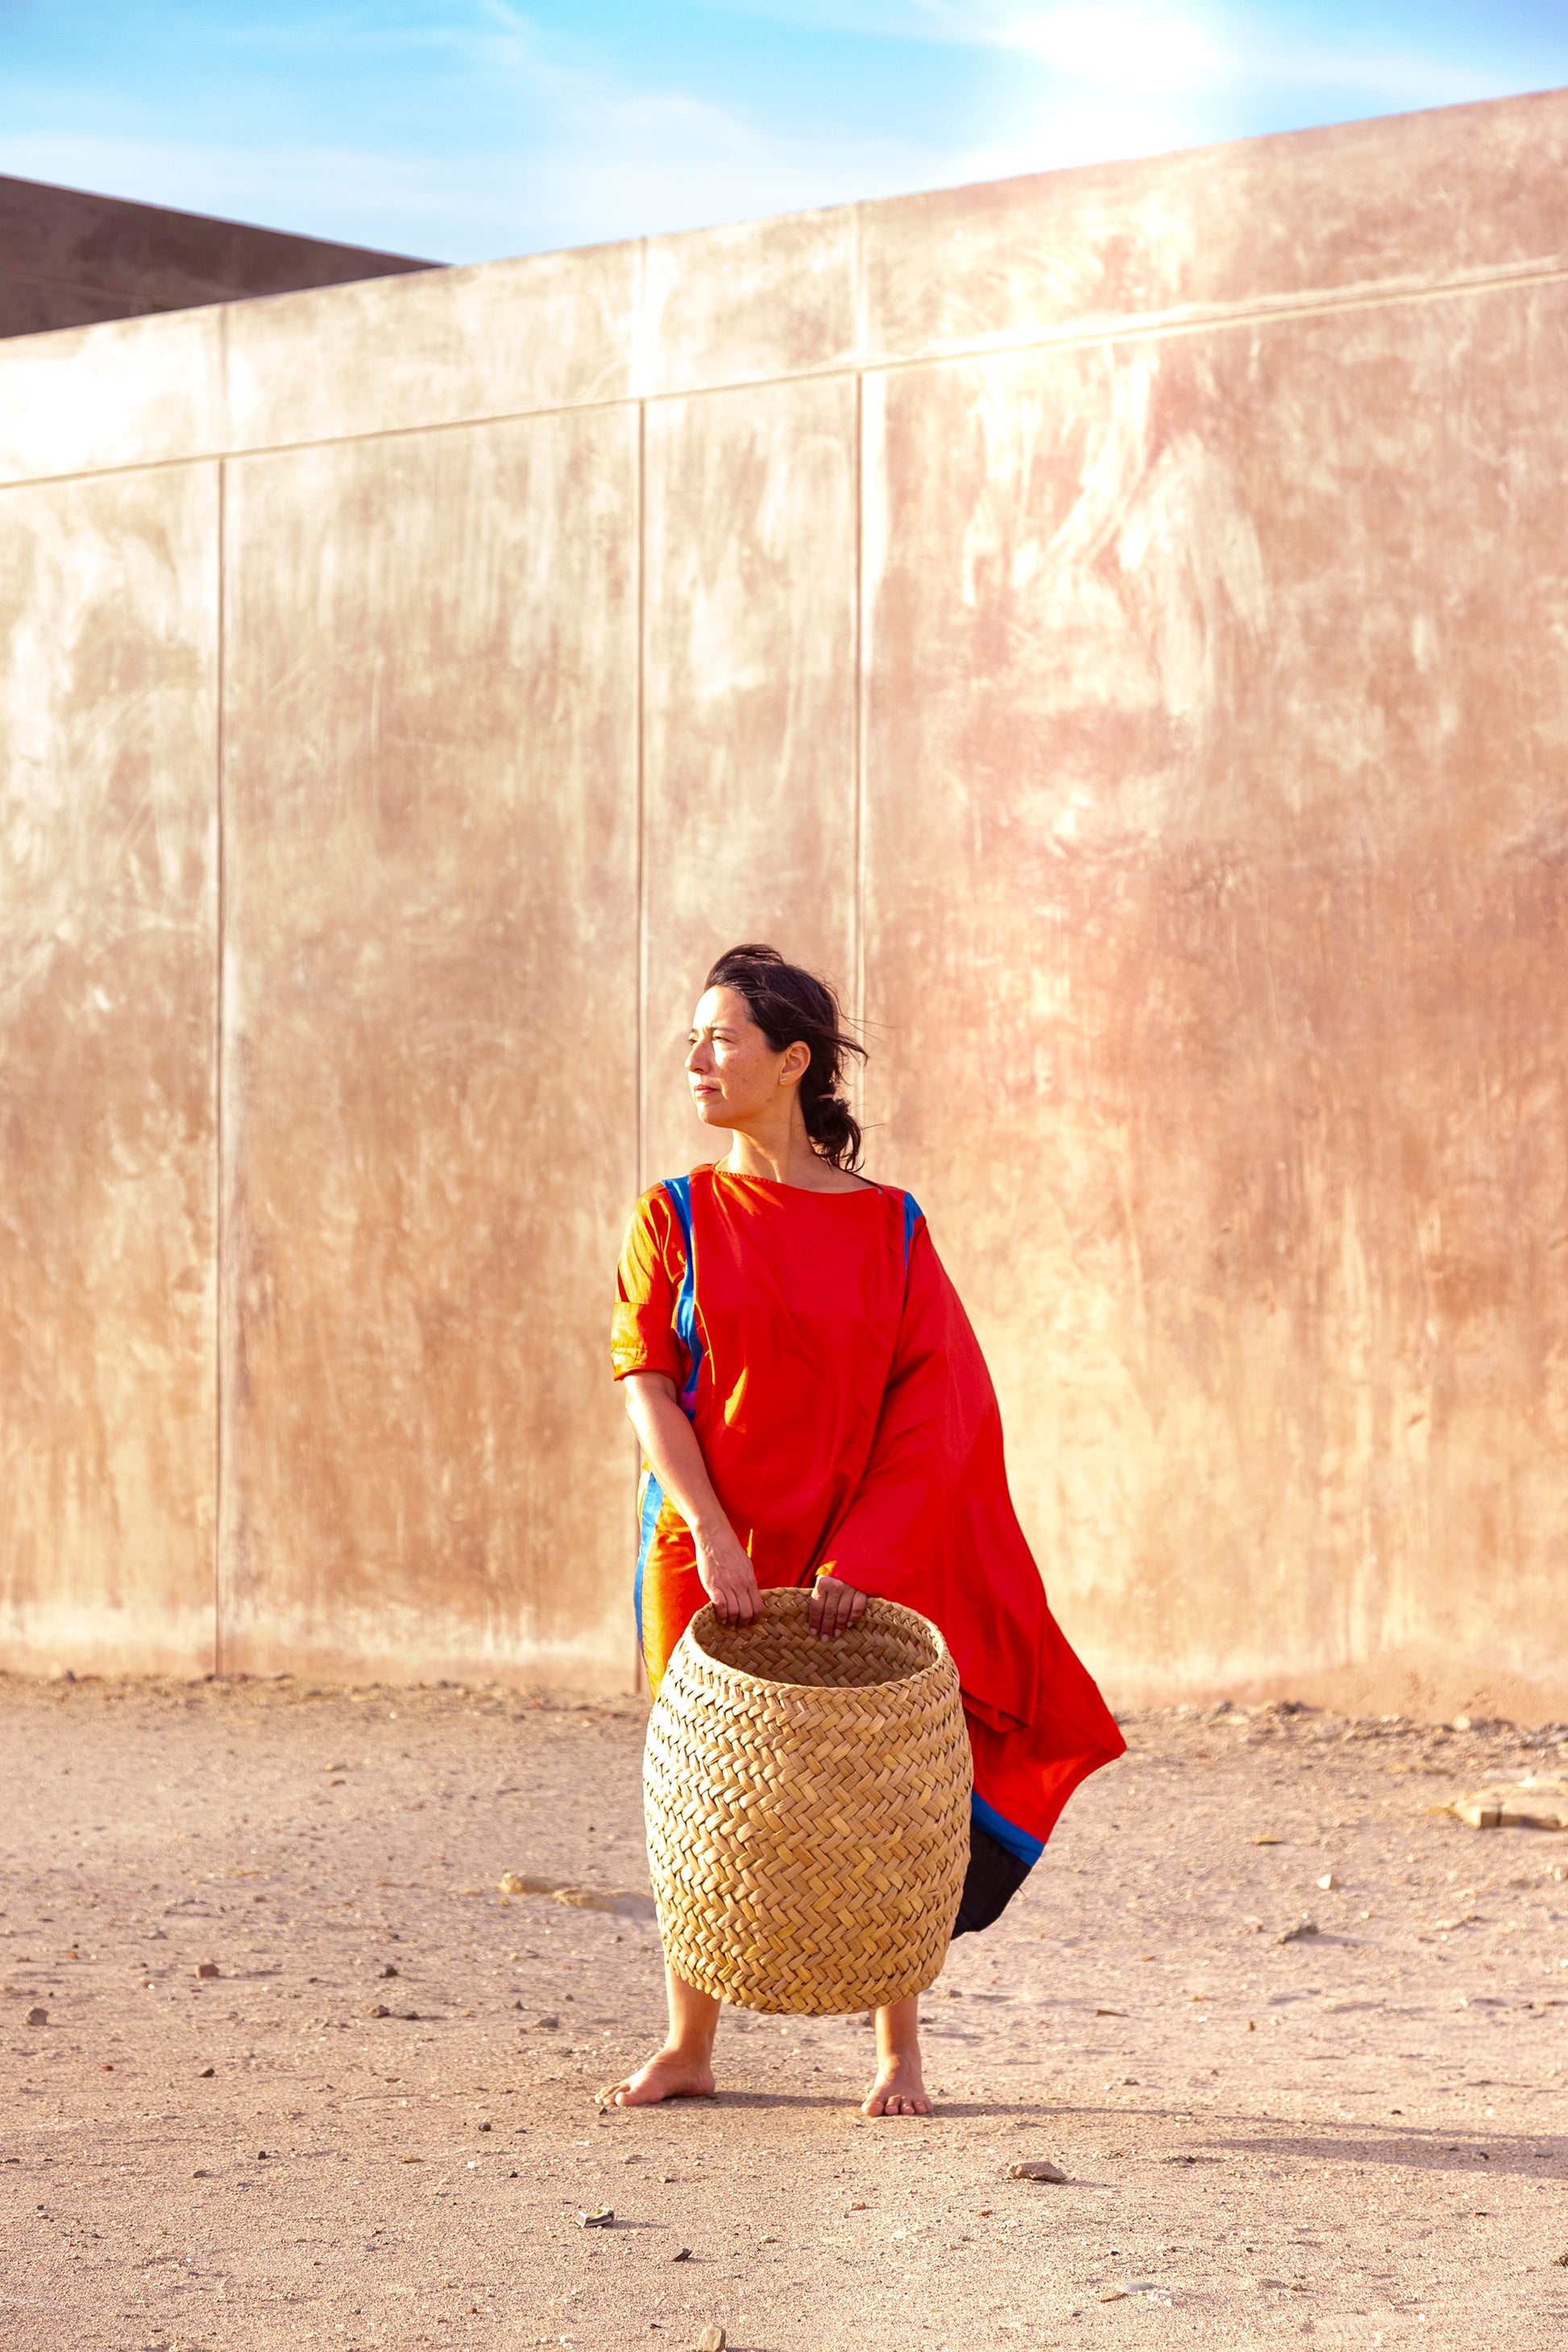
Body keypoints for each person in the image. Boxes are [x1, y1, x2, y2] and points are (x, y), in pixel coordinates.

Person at [601, 944, 1123, 2118]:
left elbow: (934, 1405)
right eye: (692, 1038)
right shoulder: (672, 1213)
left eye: (722, 1038)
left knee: (872, 1788)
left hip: (854, 1549)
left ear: (791, 1062)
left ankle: (898, 2054)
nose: (696, 1059)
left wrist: (866, 1558)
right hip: (704, 1550)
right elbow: (646, 1383)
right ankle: (690, 2043)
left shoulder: (890, 1229)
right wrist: (715, 1535)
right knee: (707, 1786)